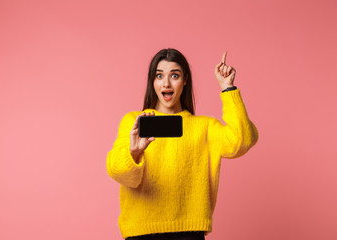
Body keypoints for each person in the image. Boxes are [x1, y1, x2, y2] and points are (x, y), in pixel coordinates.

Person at [106, 48, 258, 240]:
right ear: (152, 81)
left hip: (190, 233)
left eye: (174, 75)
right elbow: (118, 173)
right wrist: (134, 153)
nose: (166, 83)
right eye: (159, 75)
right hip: (141, 233)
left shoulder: (204, 127)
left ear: (185, 80)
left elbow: (243, 140)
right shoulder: (134, 121)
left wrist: (227, 89)